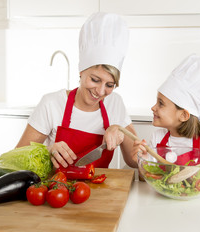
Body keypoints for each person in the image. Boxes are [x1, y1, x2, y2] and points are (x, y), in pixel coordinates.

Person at [16, 12, 137, 169]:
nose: (100, 92)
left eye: (109, 85)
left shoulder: (115, 103)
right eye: (95, 80)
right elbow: (17, 159)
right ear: (81, 72)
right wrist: (47, 151)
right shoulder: (51, 103)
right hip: (56, 190)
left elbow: (134, 160)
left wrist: (121, 131)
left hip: (101, 190)